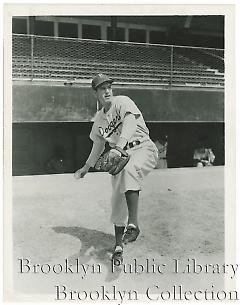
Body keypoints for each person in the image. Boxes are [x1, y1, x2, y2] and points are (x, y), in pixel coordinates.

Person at [74, 74, 158, 265]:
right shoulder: (99, 121)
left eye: (109, 86)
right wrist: (86, 167)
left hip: (143, 148)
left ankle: (134, 224)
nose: (107, 90)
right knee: (117, 200)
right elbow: (97, 146)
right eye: (102, 88)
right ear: (95, 92)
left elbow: (130, 123)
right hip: (120, 156)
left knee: (129, 171)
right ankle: (119, 245)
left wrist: (119, 147)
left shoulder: (122, 101)